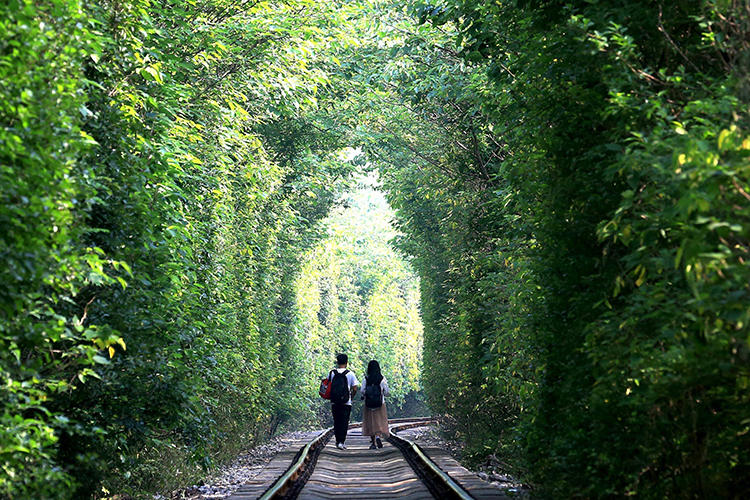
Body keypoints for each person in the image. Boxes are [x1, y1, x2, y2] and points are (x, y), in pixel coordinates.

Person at [328, 353, 359, 449]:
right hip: (346, 402)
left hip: (334, 401)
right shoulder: (350, 374)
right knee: (344, 422)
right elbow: (355, 388)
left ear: (337, 362)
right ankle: (342, 441)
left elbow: (328, 386)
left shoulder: (332, 373)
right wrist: (351, 397)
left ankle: (337, 441)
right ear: (346, 362)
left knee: (336, 421)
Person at [360, 359, 390, 450]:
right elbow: (386, 391)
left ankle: (373, 442)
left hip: (369, 403)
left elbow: (362, 390)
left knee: (370, 422)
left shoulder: (366, 379)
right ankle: (378, 436)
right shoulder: (382, 378)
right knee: (379, 421)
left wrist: (365, 395)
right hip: (380, 403)